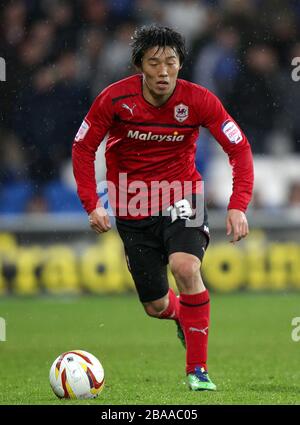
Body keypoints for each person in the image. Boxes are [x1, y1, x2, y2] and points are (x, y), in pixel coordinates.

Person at [72, 25, 254, 391]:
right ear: (139, 65)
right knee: (155, 306)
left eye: (171, 61)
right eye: (154, 63)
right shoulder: (113, 100)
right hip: (132, 204)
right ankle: (182, 317)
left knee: (186, 268)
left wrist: (238, 205)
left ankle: (198, 371)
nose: (164, 71)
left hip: (182, 194)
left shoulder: (200, 100)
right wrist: (92, 204)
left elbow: (239, 148)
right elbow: (82, 147)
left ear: (181, 64)